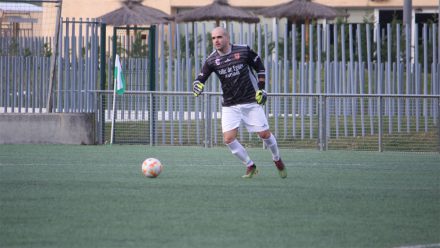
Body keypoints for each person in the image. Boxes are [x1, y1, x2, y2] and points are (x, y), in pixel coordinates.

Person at [192, 26, 287, 179]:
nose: (216, 40)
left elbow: (260, 67)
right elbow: (200, 78)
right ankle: (250, 165)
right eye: (213, 38)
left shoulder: (243, 51)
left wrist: (261, 89)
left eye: (219, 37)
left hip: (250, 100)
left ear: (227, 38)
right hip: (230, 104)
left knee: (264, 134)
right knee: (228, 139)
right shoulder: (211, 60)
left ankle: (277, 158)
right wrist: (197, 84)